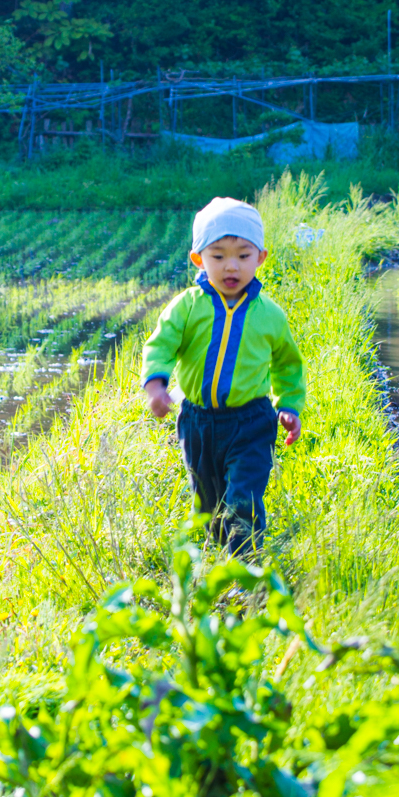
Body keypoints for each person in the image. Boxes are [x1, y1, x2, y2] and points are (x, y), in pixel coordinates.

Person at [142, 196, 305, 556]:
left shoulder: (270, 316)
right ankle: (217, 555)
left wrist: (289, 405)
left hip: (251, 421)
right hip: (198, 421)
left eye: (243, 256)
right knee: (208, 503)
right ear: (198, 259)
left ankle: (244, 567)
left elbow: (287, 364)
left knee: (242, 497)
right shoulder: (186, 307)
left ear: (261, 257)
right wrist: (156, 385)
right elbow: (161, 345)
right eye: (218, 256)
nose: (231, 266)